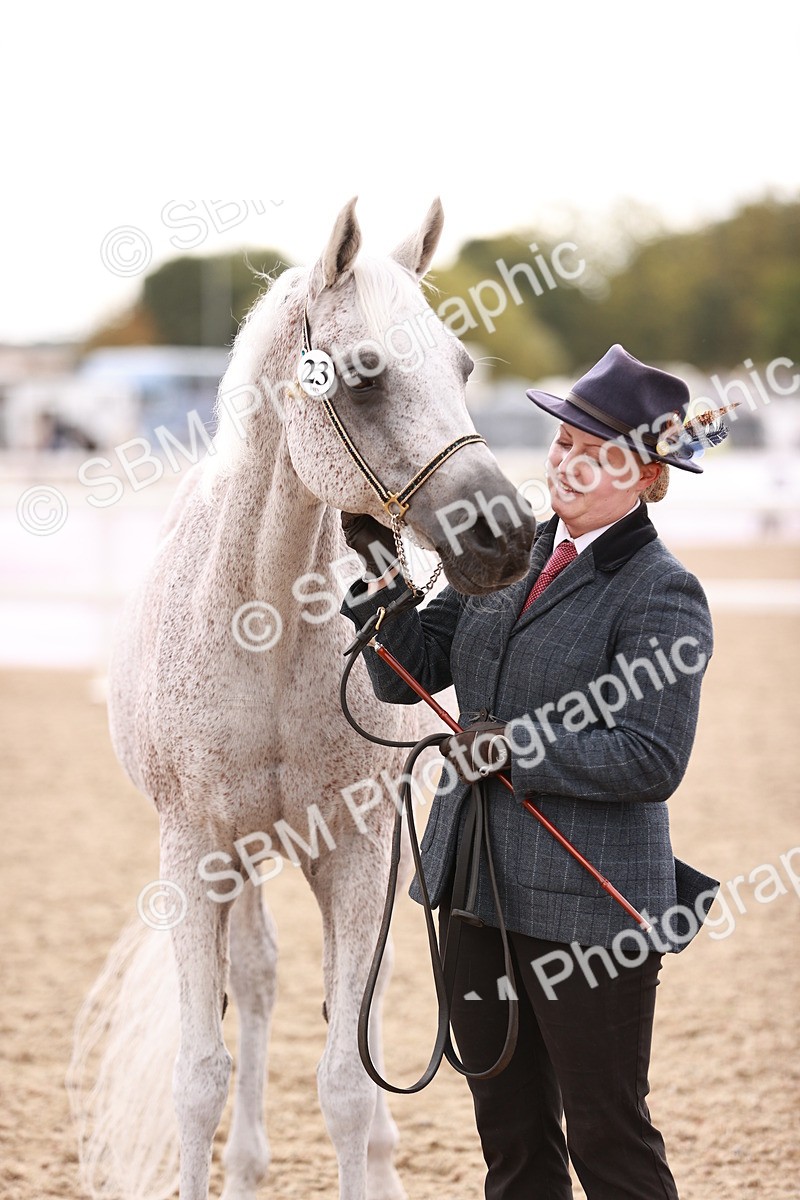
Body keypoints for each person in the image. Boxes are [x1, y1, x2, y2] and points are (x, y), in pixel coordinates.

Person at [340, 344, 722, 1200]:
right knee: (510, 1142)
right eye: (564, 445)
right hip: (476, 892)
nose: (570, 466)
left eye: (599, 456)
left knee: (608, 1139)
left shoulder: (662, 592)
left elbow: (652, 757)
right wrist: (379, 579)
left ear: (646, 477)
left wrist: (515, 745)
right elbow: (408, 671)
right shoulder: (503, 556)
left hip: (592, 911)